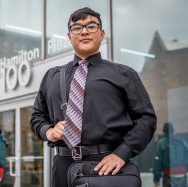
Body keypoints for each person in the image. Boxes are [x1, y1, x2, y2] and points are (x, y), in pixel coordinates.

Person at [30, 7, 157, 187]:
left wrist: (123, 152)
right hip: (62, 167)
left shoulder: (123, 74)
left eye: (91, 26)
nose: (84, 32)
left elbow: (146, 118)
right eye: (77, 27)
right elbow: (37, 116)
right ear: (69, 36)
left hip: (107, 166)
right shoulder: (52, 76)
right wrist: (48, 132)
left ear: (101, 33)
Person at [153, 122, 188, 187]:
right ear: (173, 130)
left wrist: (156, 179)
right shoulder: (182, 142)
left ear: (164, 131)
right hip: (182, 175)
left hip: (169, 175)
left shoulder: (162, 143)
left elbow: (157, 161)